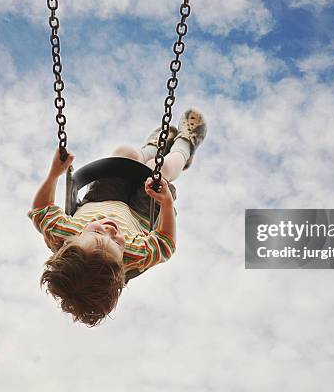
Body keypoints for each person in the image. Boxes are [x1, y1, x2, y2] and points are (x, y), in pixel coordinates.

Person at [27, 109, 207, 327]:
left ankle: (152, 148)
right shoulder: (135, 254)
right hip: (142, 215)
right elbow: (165, 243)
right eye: (116, 243)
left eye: (96, 231)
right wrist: (166, 203)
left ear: (75, 238)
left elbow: (41, 209)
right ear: (122, 263)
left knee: (125, 153)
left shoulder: (63, 234)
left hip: (101, 200)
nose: (110, 230)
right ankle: (185, 146)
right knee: (160, 170)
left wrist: (54, 173)